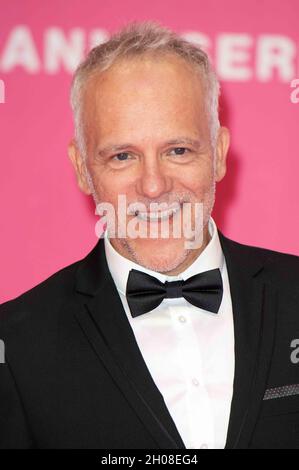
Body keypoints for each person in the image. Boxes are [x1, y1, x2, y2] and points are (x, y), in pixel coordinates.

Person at [0, 20, 299, 450]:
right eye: (123, 156)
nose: (154, 186)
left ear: (217, 153)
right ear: (83, 168)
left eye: (178, 150)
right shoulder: (17, 346)